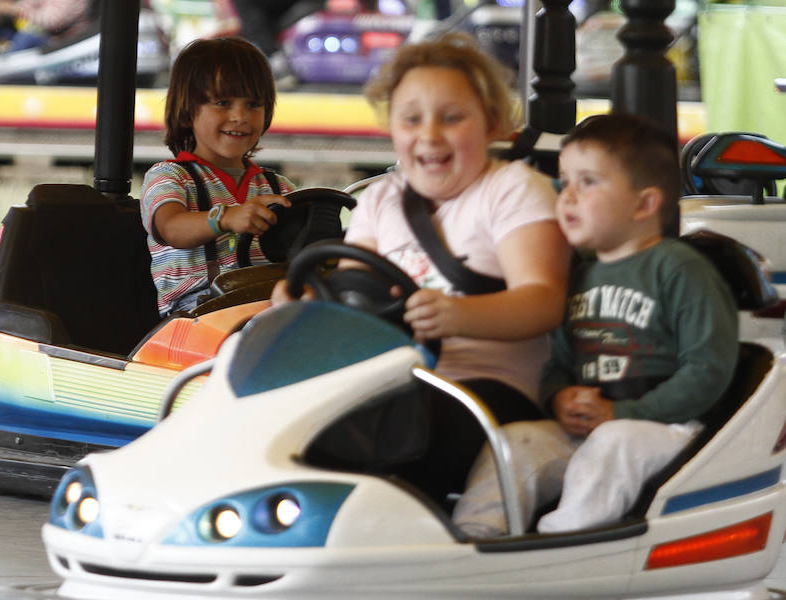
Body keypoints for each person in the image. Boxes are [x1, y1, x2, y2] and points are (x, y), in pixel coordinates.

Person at [274, 32, 570, 498]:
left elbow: (544, 301)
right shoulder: (381, 200)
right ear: (392, 126)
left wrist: (459, 315)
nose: (429, 135)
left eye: (451, 118)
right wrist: (306, 304)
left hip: (486, 388)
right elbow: (356, 294)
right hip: (393, 385)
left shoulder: (512, 188)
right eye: (412, 119)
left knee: (372, 435)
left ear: (492, 123)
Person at [452, 112, 740, 538]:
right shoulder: (581, 276)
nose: (566, 197)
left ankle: (562, 547)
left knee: (615, 441)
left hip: (668, 427)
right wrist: (560, 397)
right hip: (593, 424)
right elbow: (559, 363)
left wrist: (625, 412)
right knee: (516, 442)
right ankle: (475, 542)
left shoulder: (678, 269)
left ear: (644, 204)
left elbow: (708, 368)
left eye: (587, 182)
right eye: (564, 181)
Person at [141, 37, 295, 317]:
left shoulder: (277, 187)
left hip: (265, 307)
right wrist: (224, 218)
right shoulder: (170, 177)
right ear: (188, 112)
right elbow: (172, 228)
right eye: (222, 103)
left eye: (253, 105)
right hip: (193, 315)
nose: (240, 116)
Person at [0, 0, 91, 53]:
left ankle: (3, 70)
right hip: (45, 35)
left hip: (64, 41)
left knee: (26, 37)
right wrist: (3, 6)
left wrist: (15, 10)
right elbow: (27, 4)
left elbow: (51, 21)